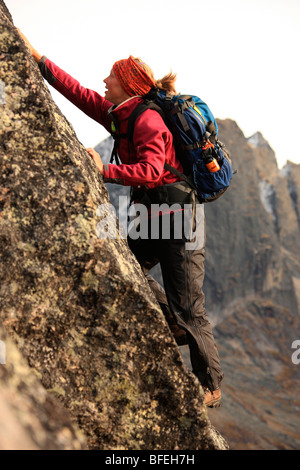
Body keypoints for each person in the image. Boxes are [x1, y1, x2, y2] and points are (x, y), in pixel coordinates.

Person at [18, 29, 224, 408]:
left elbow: (149, 170)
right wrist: (37, 58)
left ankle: (210, 386)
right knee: (124, 268)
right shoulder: (120, 115)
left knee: (189, 303)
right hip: (152, 213)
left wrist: (105, 172)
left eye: (110, 77)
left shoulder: (147, 122)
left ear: (127, 84)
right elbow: (78, 93)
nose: (104, 81)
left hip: (179, 216)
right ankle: (173, 322)